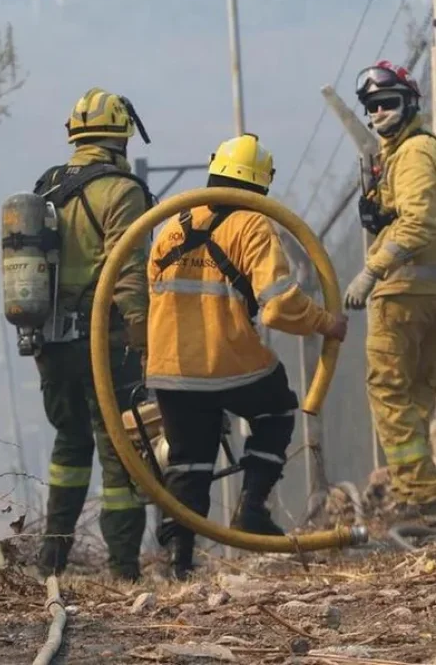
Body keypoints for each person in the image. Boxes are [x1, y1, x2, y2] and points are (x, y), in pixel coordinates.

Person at [145, 133, 348, 579]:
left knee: (188, 460)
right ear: (262, 182)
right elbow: (278, 304)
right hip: (228, 360)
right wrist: (324, 322)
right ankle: (252, 508)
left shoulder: (174, 221)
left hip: (169, 367)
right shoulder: (253, 225)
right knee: (277, 411)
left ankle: (180, 565)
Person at [34, 87, 151, 580]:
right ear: (122, 135)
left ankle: (51, 561)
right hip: (106, 343)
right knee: (120, 452)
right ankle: (123, 569)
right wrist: (145, 339)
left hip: (50, 344)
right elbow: (127, 273)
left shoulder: (45, 187)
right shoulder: (121, 191)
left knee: (69, 445)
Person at [344, 60, 436, 520]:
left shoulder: (416, 152)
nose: (378, 114)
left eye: (387, 104)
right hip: (419, 295)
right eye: (372, 107)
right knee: (418, 395)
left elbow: (419, 221)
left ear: (409, 104)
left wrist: (371, 271)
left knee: (389, 391)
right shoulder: (401, 155)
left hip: (403, 293)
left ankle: (419, 498)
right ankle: (424, 494)